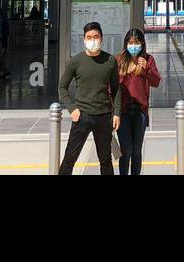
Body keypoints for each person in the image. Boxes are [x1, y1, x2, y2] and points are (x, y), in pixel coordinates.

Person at [57, 22, 120, 175]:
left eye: (96, 37)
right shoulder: (76, 61)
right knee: (70, 157)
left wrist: (116, 113)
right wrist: (72, 109)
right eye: (89, 37)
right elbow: (62, 87)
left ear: (102, 39)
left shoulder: (110, 61)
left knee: (105, 160)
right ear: (84, 39)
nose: (93, 40)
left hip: (104, 117)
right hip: (82, 116)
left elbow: (117, 89)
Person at [115, 27, 161, 175]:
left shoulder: (148, 59)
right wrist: (124, 73)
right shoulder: (119, 60)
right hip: (123, 110)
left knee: (136, 150)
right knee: (126, 149)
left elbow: (156, 82)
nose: (133, 46)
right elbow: (111, 86)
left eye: (137, 42)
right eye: (130, 42)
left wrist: (146, 69)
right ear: (126, 43)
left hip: (140, 111)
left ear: (142, 44)